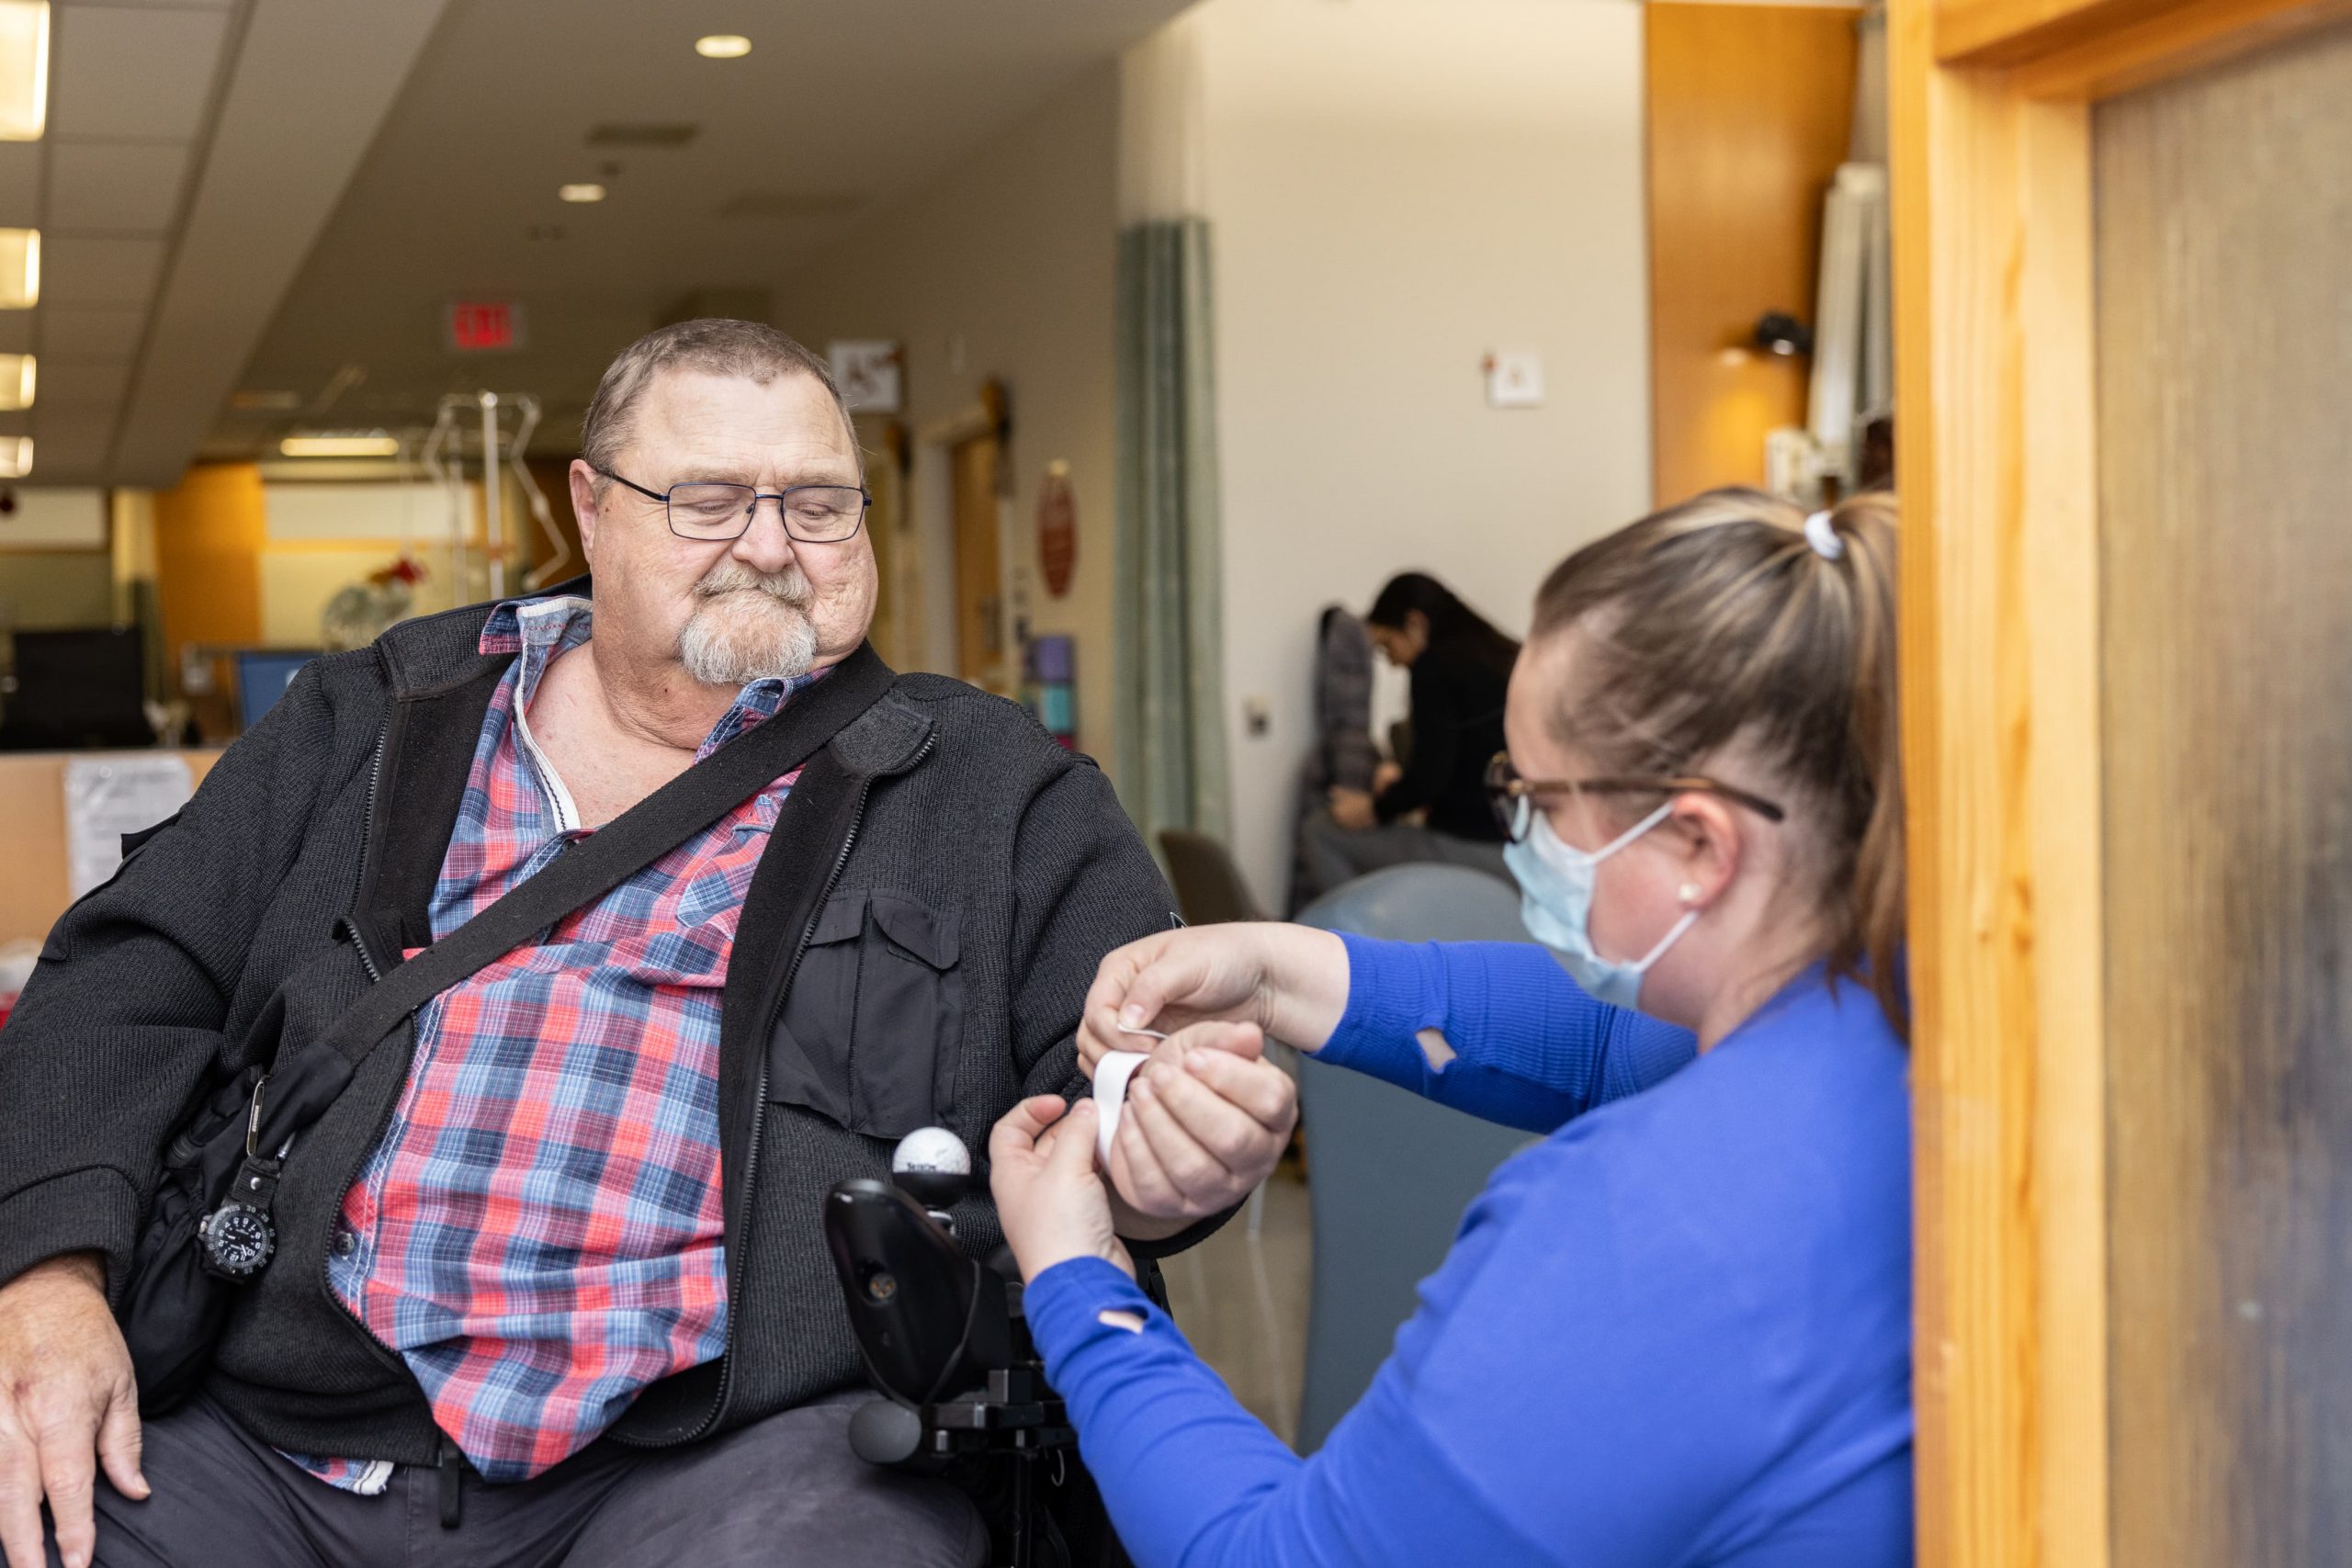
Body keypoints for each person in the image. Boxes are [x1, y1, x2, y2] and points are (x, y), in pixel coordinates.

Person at [0, 320, 1290, 1568]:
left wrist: (1166, 1144)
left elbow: (1120, 1059)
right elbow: (127, 968)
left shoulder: (996, 788)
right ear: (592, 507)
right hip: (275, 1434)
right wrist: (53, 1278)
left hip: (733, 1458)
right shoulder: (377, 714)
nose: (773, 547)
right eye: (711, 499)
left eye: (820, 505)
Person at [992, 490, 1913, 1565]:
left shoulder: (1634, 1226)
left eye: (1542, 805)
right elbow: (1608, 1046)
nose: (1522, 836)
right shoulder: (1907, 1017)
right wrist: (1276, 973)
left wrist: (1076, 1279)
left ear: (1700, 847)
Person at [1296, 571, 1517, 902]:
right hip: (1520, 844)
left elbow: (1430, 780)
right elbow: (1466, 761)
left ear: (1415, 623)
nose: (1394, 662)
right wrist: (1403, 783)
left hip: (1471, 846)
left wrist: (1374, 809)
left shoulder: (1435, 666)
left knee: (1321, 831)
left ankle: (1356, 944)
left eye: (1387, 645)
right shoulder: (1506, 655)